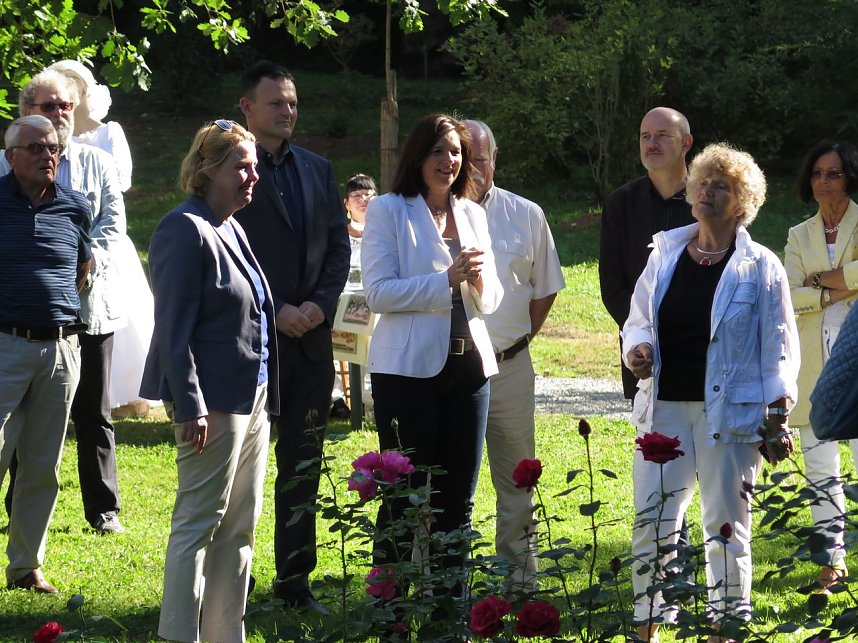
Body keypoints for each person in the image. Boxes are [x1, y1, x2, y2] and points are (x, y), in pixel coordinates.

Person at [623, 143, 799, 642]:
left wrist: (777, 417)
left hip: (732, 413)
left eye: (721, 185)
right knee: (653, 521)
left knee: (726, 527)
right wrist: (637, 350)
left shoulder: (761, 267)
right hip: (665, 410)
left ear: (742, 202)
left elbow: (779, 347)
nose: (707, 191)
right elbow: (637, 322)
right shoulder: (665, 253)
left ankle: (725, 628)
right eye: (702, 182)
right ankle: (649, 626)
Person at [139, 120, 279, 642]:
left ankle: (226, 635)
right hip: (211, 404)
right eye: (241, 165)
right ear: (206, 169)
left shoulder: (231, 226)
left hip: (252, 396)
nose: (252, 176)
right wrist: (191, 404)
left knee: (240, 528)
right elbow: (173, 330)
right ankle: (180, 635)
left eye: (255, 166)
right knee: (198, 525)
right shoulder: (184, 228)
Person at [361, 113, 502, 615]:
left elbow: (491, 298)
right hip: (407, 377)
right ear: (417, 157)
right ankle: (390, 616)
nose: (449, 161)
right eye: (439, 151)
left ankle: (449, 618)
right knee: (401, 500)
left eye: (457, 152)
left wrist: (479, 284)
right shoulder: (387, 211)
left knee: (456, 503)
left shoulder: (472, 214)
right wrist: (446, 279)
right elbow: (378, 293)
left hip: (470, 374)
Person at [234, 60, 350, 613]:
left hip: (309, 341)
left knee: (302, 466)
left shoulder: (318, 169)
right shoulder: (230, 170)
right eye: (276, 103)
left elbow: (337, 246)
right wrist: (272, 308)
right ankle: (232, 580)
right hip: (250, 343)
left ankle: (295, 583)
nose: (288, 112)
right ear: (247, 109)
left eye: (293, 103)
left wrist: (318, 307)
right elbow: (225, 256)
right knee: (240, 469)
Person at [1, 69, 128, 534]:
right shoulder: (4, 165)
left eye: (66, 107)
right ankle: (17, 506)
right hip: (16, 319)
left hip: (87, 310)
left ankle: (103, 507)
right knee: (19, 423)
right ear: (26, 111)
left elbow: (112, 226)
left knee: (94, 412)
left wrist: (86, 257)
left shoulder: (98, 163)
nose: (58, 116)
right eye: (48, 107)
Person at [464, 119, 565, 590]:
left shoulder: (526, 214)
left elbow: (544, 290)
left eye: (479, 158)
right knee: (436, 484)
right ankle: (435, 585)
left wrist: (518, 338)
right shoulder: (424, 214)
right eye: (461, 155)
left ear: (495, 159)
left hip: (508, 367)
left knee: (518, 479)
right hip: (445, 369)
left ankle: (519, 582)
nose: (470, 167)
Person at [0, 115, 92, 593]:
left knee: (42, 465)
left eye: (52, 147)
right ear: (10, 155)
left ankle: (25, 566)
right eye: (34, 148)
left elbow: (83, 264)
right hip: (4, 345)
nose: (46, 155)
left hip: (60, 350)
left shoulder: (76, 207)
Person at [48, 59, 154, 417]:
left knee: (112, 321)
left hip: (102, 239)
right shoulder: (46, 142)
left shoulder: (108, 133)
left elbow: (119, 186)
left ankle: (121, 392)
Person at [784, 140, 858, 591]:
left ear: (849, 176)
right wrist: (839, 287)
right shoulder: (798, 235)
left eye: (833, 173)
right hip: (812, 362)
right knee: (819, 466)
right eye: (817, 174)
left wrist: (820, 281)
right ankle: (831, 562)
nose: (824, 181)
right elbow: (789, 296)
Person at [600, 107, 695, 400]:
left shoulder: (706, 202)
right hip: (640, 353)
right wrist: (640, 339)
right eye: (645, 137)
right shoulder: (621, 204)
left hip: (698, 347)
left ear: (686, 143)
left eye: (663, 135)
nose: (651, 143)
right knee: (652, 443)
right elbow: (613, 286)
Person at [331, 173, 378, 419]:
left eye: (368, 195)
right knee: (339, 341)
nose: (363, 200)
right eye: (356, 196)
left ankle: (369, 401)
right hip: (343, 304)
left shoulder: (384, 235)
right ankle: (338, 401)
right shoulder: (338, 236)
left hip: (377, 305)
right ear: (347, 204)